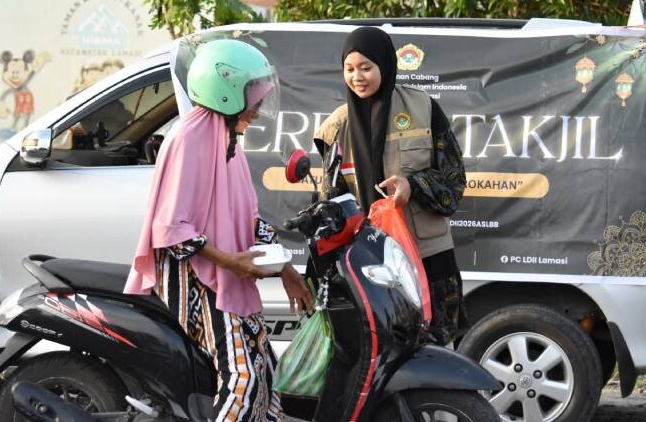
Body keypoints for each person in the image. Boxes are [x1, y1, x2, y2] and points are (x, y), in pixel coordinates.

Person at [125, 39, 313, 421]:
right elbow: (171, 229)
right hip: (196, 277)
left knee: (266, 373)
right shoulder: (189, 138)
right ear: (227, 93)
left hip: (227, 272)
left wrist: (288, 271)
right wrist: (230, 262)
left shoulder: (228, 142)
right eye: (254, 99)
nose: (257, 111)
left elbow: (248, 219)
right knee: (244, 378)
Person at [314, 26, 467, 345]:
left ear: (385, 64)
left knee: (434, 348)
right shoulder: (335, 128)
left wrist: (413, 186)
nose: (357, 77)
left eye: (366, 67)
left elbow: (454, 181)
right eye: (349, 69)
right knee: (377, 348)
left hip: (426, 256)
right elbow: (327, 200)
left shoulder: (423, 109)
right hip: (367, 262)